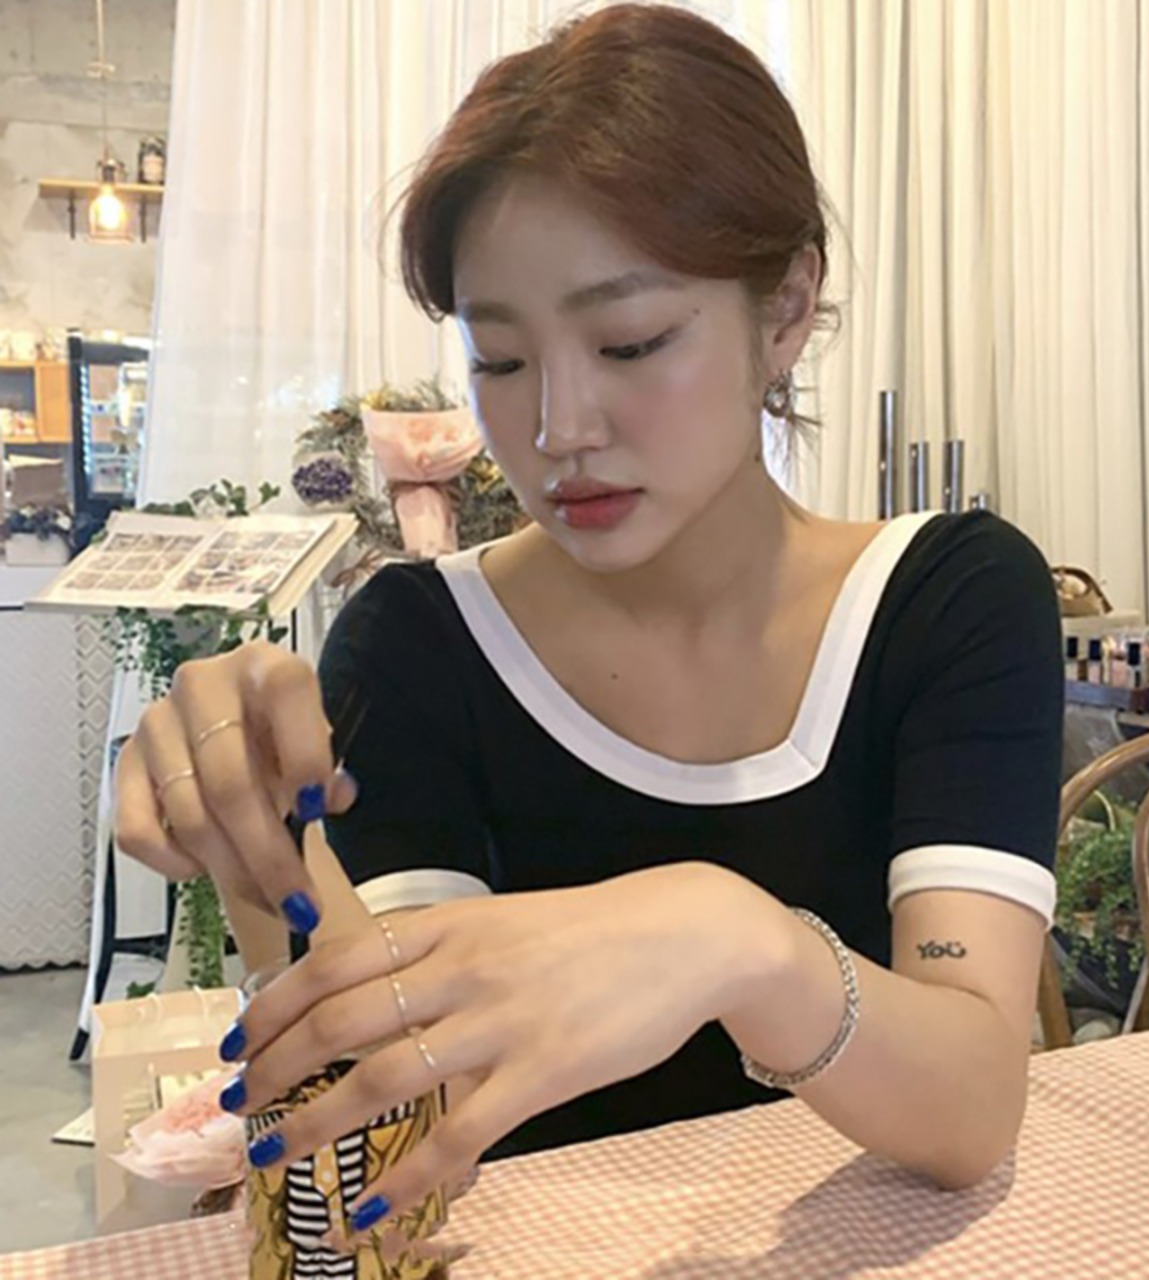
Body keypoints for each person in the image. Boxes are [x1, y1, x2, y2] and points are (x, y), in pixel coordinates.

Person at [116, 2, 1063, 1237]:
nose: (558, 428)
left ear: (784, 308)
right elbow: (412, 1099)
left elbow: (970, 1104)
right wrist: (263, 844)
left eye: (628, 341)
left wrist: (738, 941)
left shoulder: (942, 600)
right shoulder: (421, 642)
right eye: (500, 361)